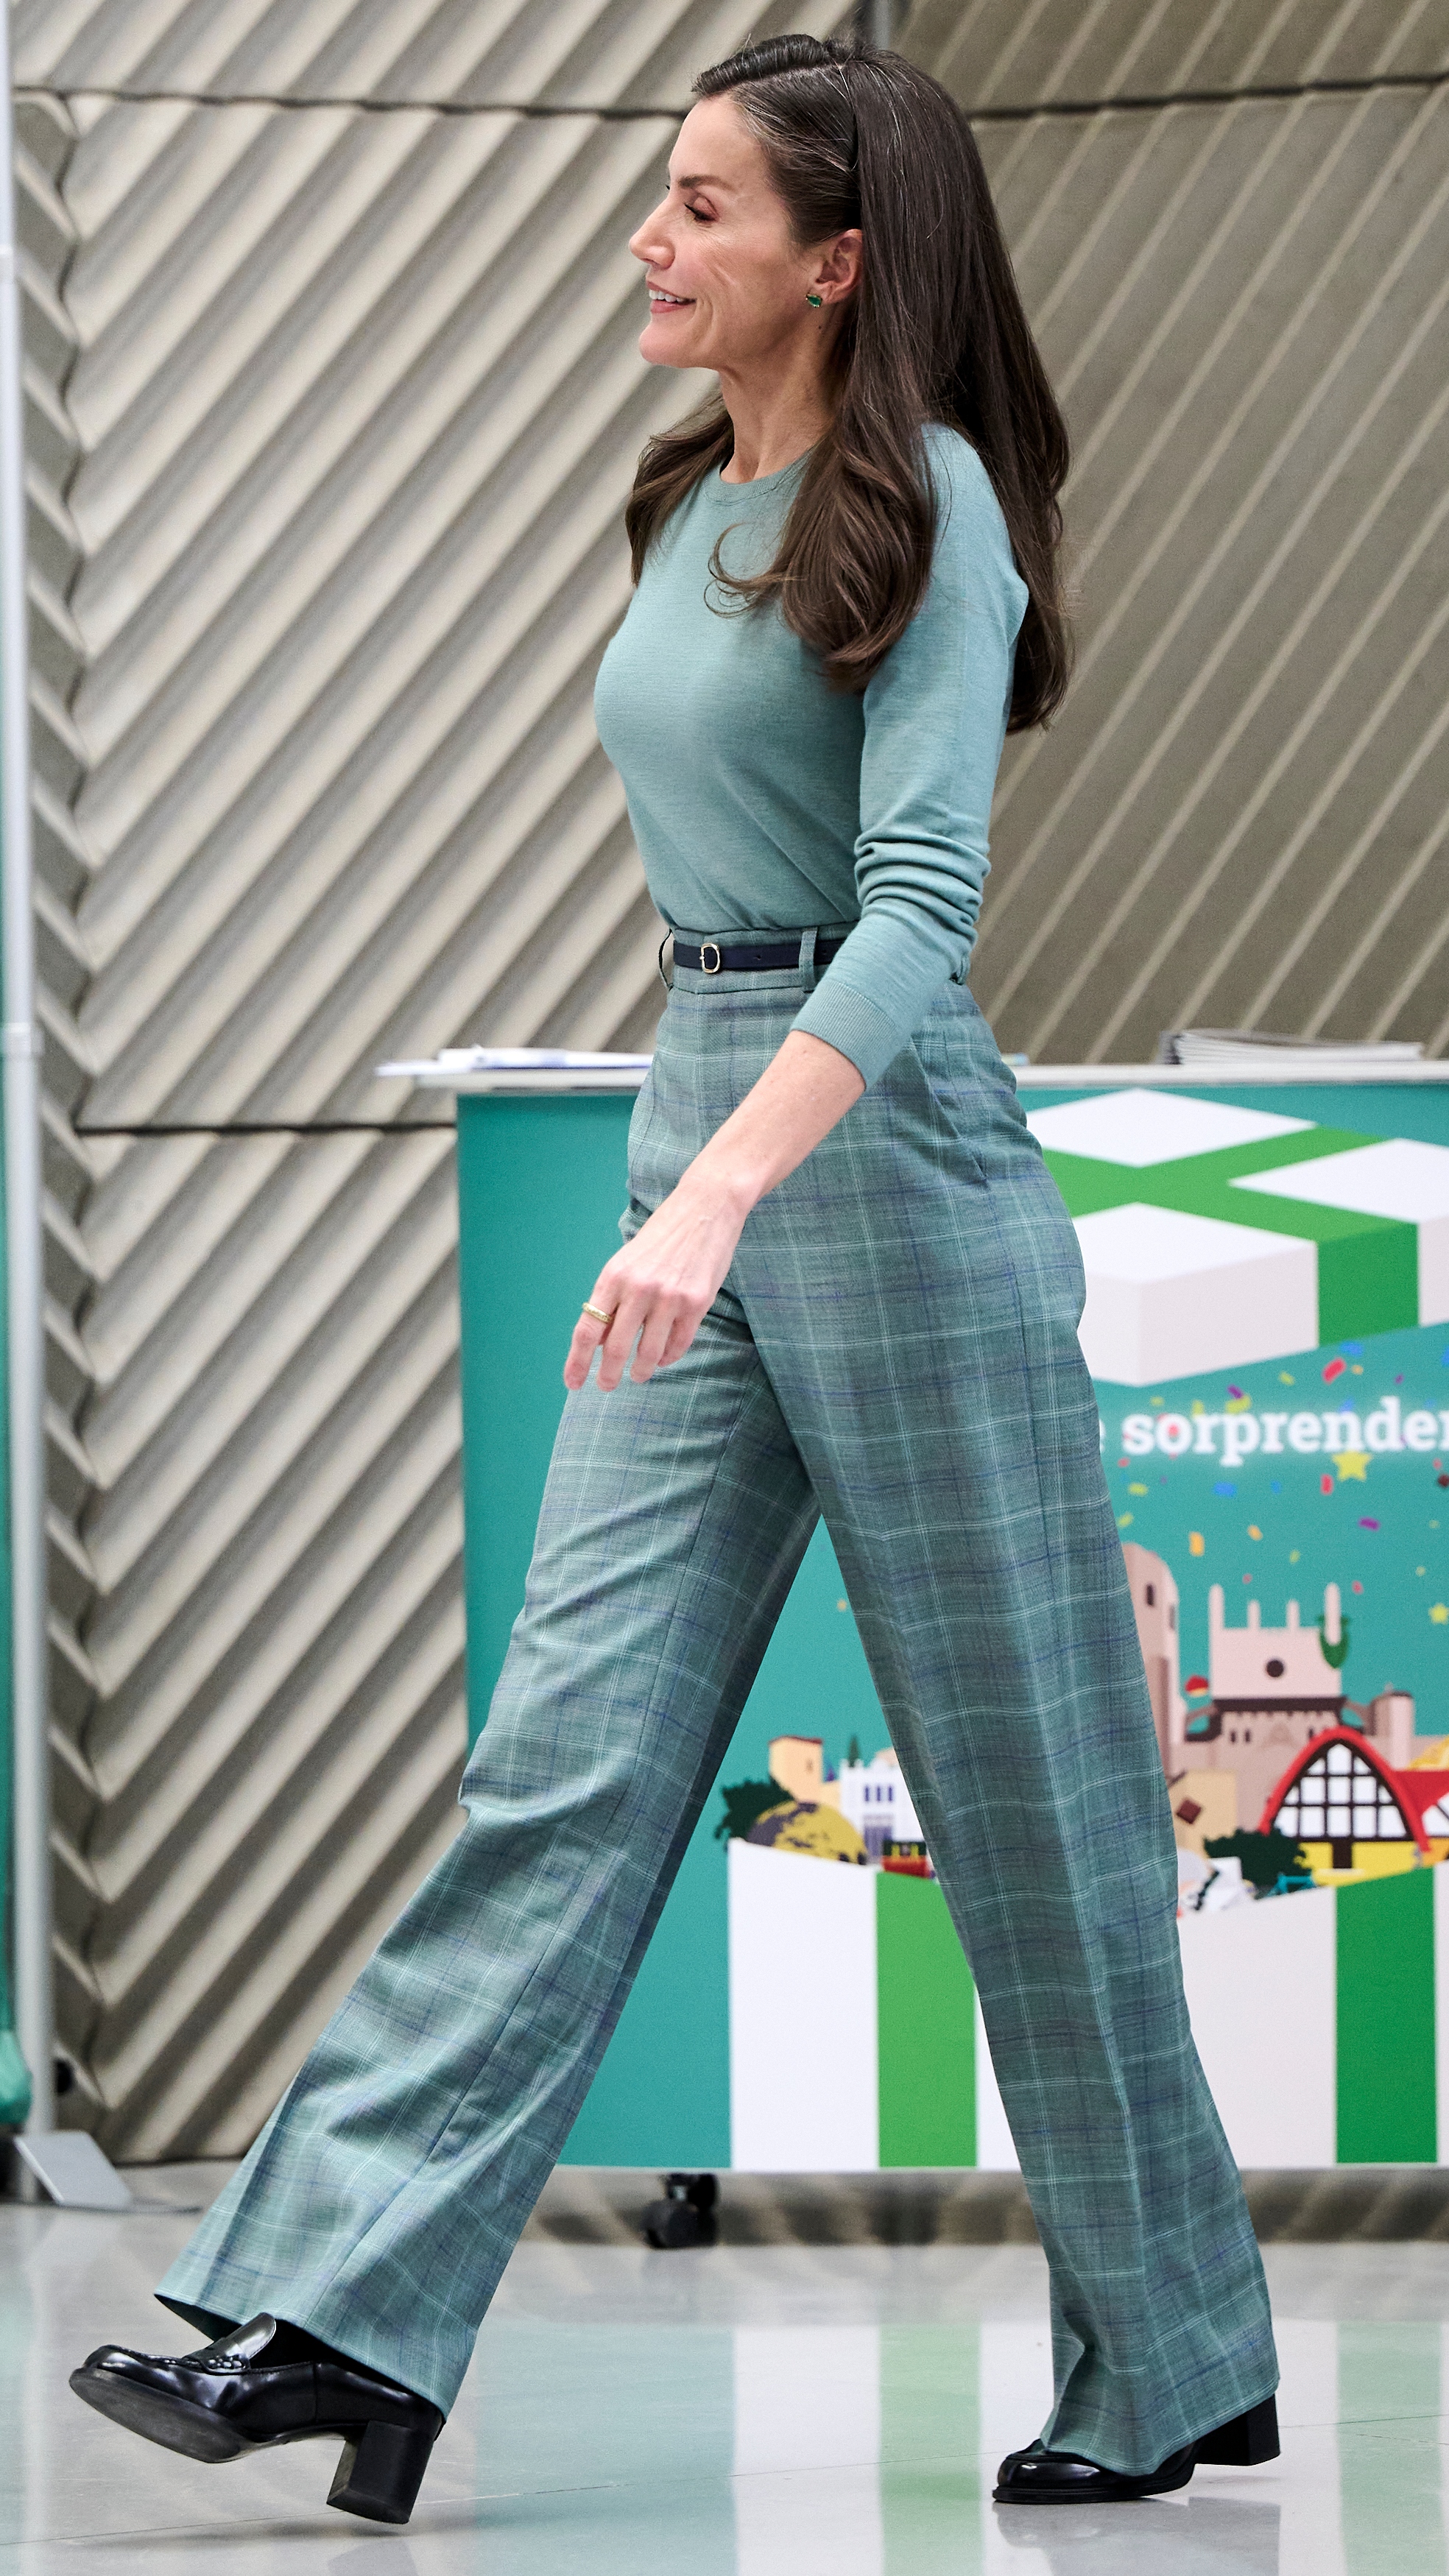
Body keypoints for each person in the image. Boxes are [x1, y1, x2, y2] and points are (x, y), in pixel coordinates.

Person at [69, 33, 1279, 2527]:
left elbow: (921, 913)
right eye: (660, 190)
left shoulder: (924, 503)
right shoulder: (678, 500)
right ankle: (343, 2314)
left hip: (883, 1156)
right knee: (566, 1760)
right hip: (698, 1104)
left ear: (836, 261)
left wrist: (726, 1185)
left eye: (703, 203)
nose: (654, 234)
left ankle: (1175, 2355)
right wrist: (689, 1165)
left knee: (1036, 1801)